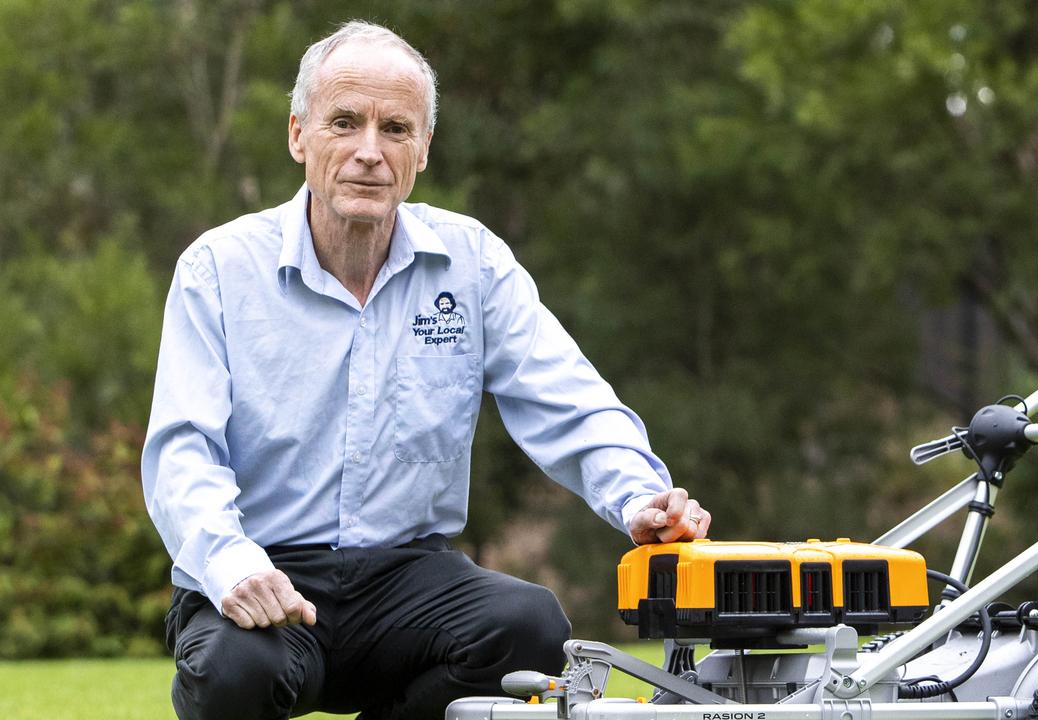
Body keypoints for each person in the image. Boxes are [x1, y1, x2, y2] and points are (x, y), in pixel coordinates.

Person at [141, 19, 711, 720]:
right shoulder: (218, 269)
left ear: (424, 149)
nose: (369, 153)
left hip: (407, 579)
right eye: (344, 123)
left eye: (396, 129)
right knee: (234, 669)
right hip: (262, 570)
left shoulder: (473, 263)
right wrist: (232, 566)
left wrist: (639, 498)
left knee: (531, 627)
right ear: (298, 135)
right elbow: (181, 454)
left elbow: (567, 398)